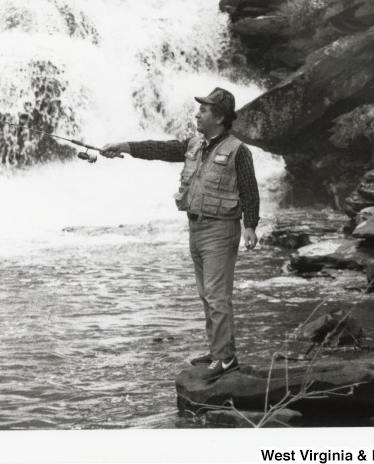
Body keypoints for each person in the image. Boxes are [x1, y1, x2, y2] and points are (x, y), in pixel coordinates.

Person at [102, 87, 259, 381]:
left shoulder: (239, 150)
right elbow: (159, 149)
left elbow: (250, 190)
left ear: (220, 117)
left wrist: (251, 225)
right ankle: (218, 351)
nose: (197, 114)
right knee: (206, 294)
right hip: (196, 227)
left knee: (217, 295)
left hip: (221, 229)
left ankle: (225, 359)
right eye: (199, 109)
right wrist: (123, 146)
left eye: (204, 110)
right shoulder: (194, 144)